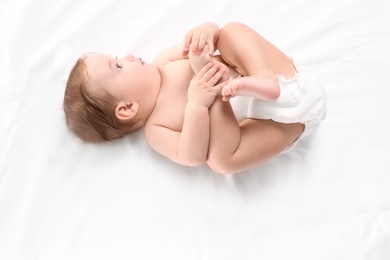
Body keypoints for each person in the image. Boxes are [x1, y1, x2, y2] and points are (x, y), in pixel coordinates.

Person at [64, 22, 326, 174]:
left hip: (283, 81)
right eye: (118, 67)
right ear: (128, 108)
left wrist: (205, 32)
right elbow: (191, 155)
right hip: (278, 122)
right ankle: (225, 87)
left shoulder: (164, 61)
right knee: (220, 161)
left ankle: (261, 76)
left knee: (229, 31)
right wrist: (198, 105)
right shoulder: (156, 130)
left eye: (117, 56)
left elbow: (207, 39)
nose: (128, 57)